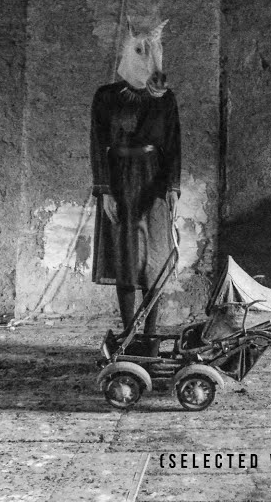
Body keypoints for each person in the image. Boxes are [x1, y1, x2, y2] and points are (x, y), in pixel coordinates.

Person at [90, 21, 180, 356]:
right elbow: (98, 144)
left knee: (154, 258)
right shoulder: (106, 97)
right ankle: (129, 334)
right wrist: (104, 190)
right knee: (126, 257)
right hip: (119, 180)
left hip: (153, 179)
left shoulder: (165, 100)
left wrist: (172, 187)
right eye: (142, 51)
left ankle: (151, 337)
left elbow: (173, 145)